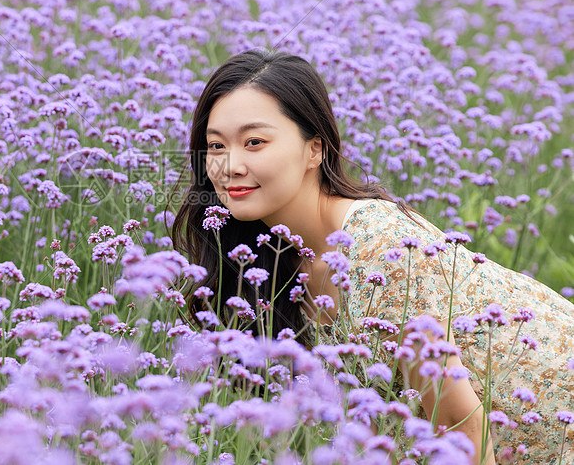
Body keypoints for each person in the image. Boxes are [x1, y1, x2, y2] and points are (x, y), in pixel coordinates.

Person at [171, 49, 574, 465]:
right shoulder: (266, 259)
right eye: (216, 145)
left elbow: (461, 430)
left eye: (254, 142)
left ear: (315, 150)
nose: (229, 165)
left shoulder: (385, 251)